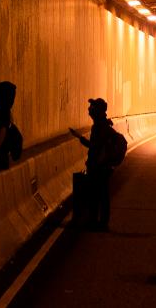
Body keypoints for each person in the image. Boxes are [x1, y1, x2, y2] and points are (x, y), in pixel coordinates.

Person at [67, 98, 115, 231]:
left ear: (98, 111)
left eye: (92, 107)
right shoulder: (103, 125)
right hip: (102, 166)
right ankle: (99, 221)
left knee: (97, 194)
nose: (89, 110)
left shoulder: (100, 127)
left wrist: (80, 139)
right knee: (101, 194)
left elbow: (95, 146)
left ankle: (98, 222)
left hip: (99, 166)